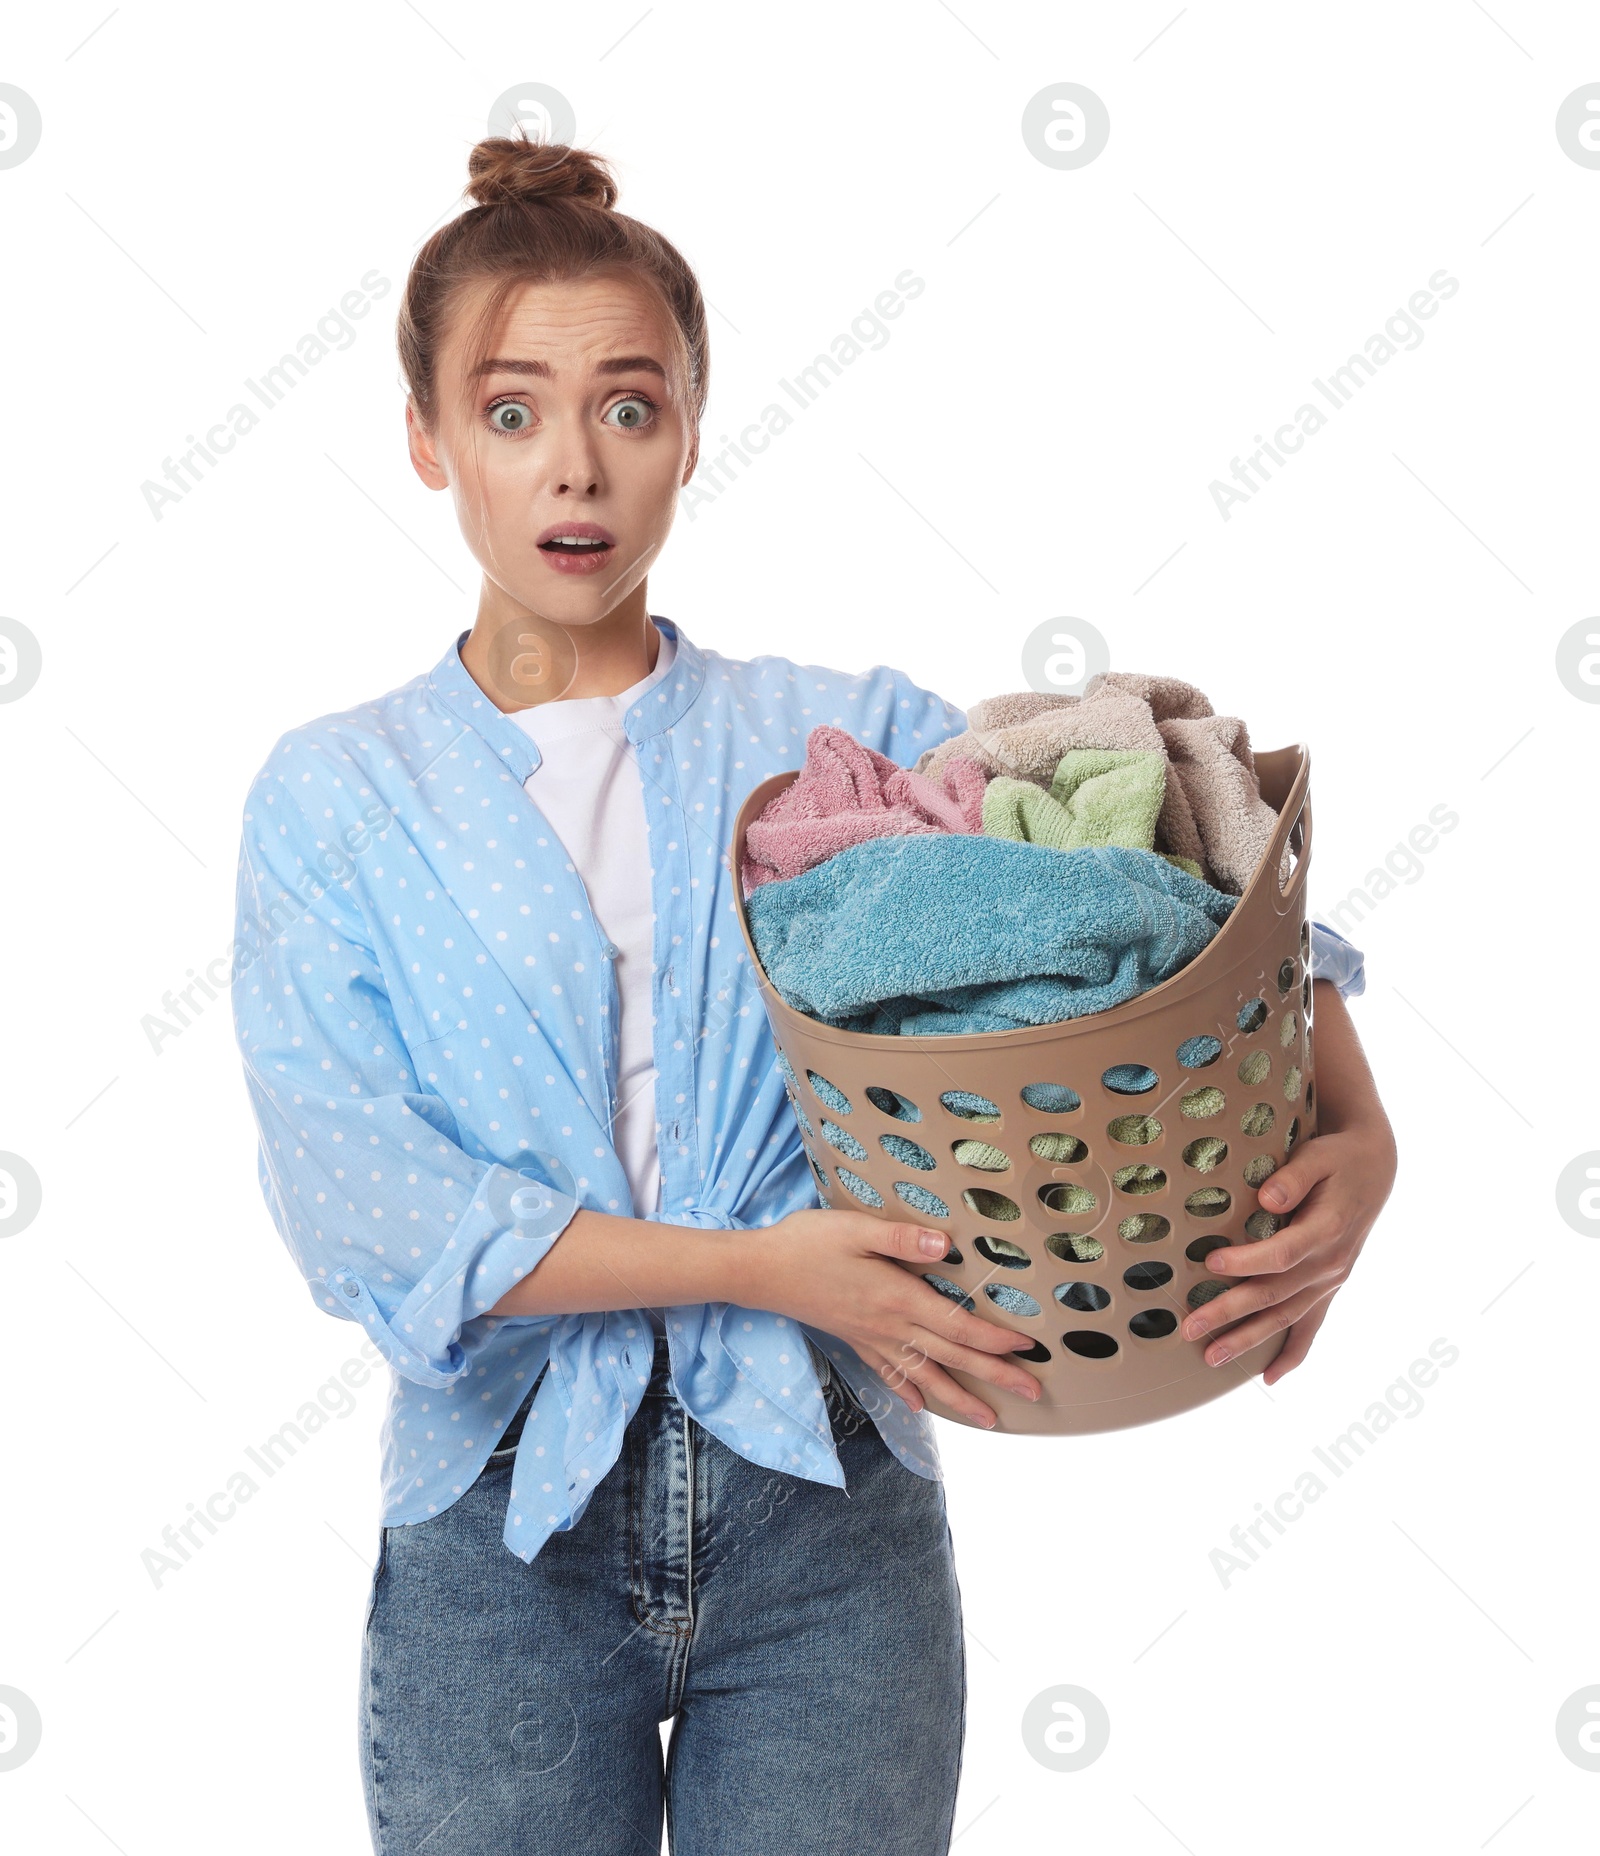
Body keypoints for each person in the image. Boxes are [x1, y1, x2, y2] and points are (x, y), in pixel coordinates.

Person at [229, 134, 1397, 1855]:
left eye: (629, 407)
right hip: (501, 1529)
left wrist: (1360, 1145)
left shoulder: (837, 744)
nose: (576, 465)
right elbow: (373, 1209)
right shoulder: (338, 795)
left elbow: (1181, 909)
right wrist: (761, 1269)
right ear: (425, 441)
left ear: (691, 430)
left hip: (833, 1507)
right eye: (510, 410)